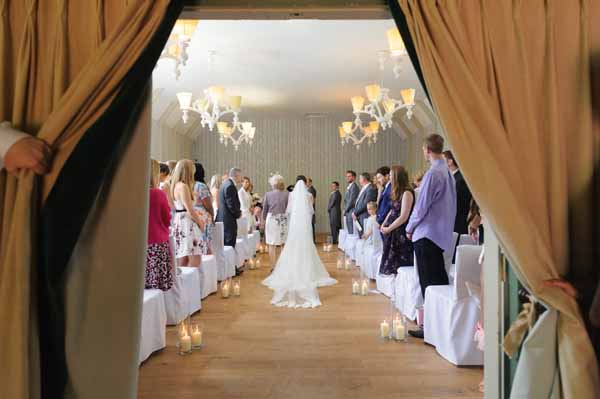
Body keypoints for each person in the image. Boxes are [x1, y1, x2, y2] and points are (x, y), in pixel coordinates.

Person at [406, 134, 457, 338]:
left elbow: (421, 206)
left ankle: (430, 328)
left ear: (427, 150)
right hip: (441, 234)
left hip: (427, 234)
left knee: (429, 284)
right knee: (438, 282)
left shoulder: (433, 173)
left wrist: (409, 227)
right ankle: (441, 326)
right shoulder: (448, 173)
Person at [262, 179, 337, 308]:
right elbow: (311, 211)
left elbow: (288, 211)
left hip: (294, 226)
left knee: (291, 247)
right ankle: (308, 269)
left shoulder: (292, 195)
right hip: (305, 225)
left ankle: (289, 267)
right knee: (306, 247)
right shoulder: (309, 196)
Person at [379, 165, 415, 275]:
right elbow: (392, 210)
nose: (389, 177)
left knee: (399, 259)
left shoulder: (407, 192)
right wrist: (384, 223)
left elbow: (404, 216)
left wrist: (389, 228)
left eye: (390, 175)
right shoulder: (397, 191)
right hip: (392, 229)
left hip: (400, 230)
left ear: (396, 176)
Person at [170, 160, 206, 267]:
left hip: (180, 221)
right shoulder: (183, 186)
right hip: (186, 222)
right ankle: (192, 283)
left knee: (184, 259)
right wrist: (200, 223)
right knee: (196, 259)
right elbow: (190, 210)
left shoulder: (175, 185)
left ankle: (185, 283)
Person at [146, 159, 173, 291]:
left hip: (139, 246)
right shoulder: (158, 194)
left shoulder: (134, 193)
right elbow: (167, 219)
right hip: (157, 243)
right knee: (156, 287)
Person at [262, 174, 290, 266]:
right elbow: (288, 209)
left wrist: (263, 221)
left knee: (271, 243)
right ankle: (283, 266)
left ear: (273, 184)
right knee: (283, 243)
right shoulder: (287, 194)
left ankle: (273, 266)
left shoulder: (268, 194)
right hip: (283, 220)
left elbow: (264, 210)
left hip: (272, 221)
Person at [443, 150, 472, 235]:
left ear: (450, 162)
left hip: (457, 223)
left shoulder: (459, 180)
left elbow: (456, 203)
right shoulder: (454, 178)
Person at [216, 167, 242, 249]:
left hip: (223, 219)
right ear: (236, 176)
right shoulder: (230, 186)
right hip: (228, 221)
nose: (241, 178)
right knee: (229, 246)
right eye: (240, 176)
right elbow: (231, 205)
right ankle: (230, 262)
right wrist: (238, 213)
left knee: (225, 247)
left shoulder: (224, 184)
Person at [193, 162, 214, 254]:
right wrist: (212, 215)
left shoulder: (189, 184)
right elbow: (208, 205)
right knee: (205, 242)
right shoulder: (201, 186)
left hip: (193, 214)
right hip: (202, 215)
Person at [352, 172, 378, 237]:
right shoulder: (365, 188)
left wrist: (355, 213)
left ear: (364, 179)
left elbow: (365, 204)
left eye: (360, 178)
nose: (359, 180)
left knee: (365, 236)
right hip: (359, 215)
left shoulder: (370, 188)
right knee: (361, 236)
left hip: (364, 215)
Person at [343, 170, 360, 235]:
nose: (347, 178)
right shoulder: (350, 186)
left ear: (354, 177)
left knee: (351, 231)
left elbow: (351, 201)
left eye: (349, 176)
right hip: (348, 211)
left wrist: (345, 210)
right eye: (347, 176)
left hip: (351, 211)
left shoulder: (354, 187)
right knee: (349, 231)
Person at [306, 177, 317, 242]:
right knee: (310, 225)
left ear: (310, 182)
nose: (306, 183)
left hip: (310, 210)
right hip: (309, 209)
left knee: (311, 224)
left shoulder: (311, 190)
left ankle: (313, 240)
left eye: (307, 182)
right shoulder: (308, 189)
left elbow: (312, 201)